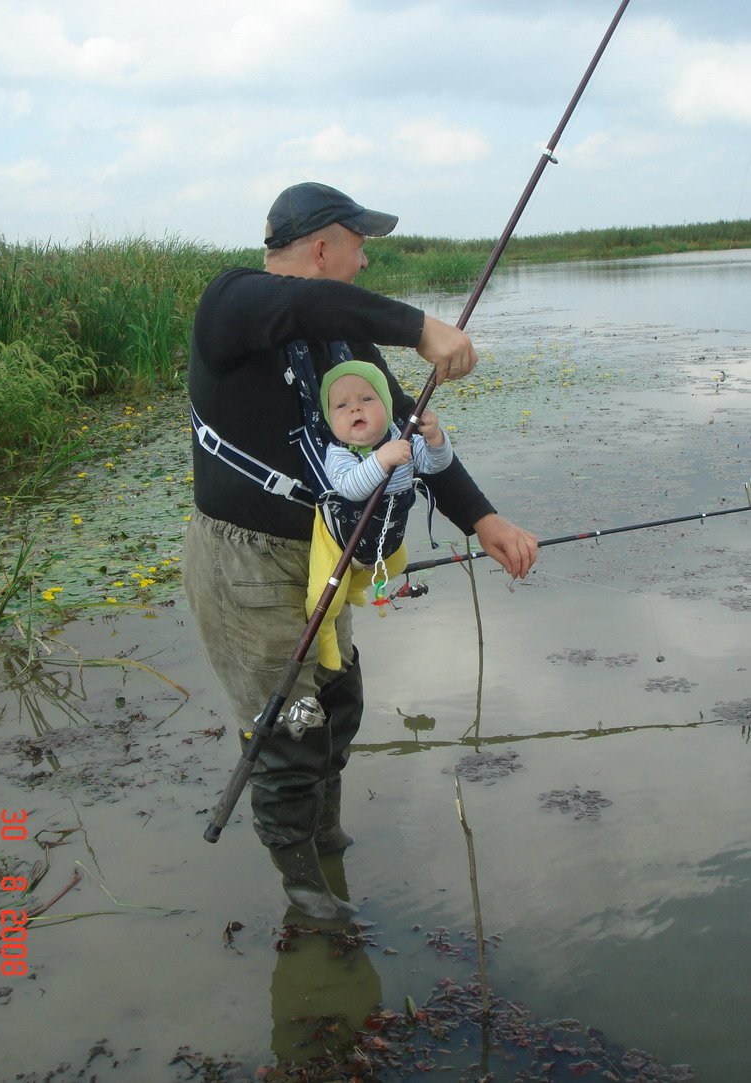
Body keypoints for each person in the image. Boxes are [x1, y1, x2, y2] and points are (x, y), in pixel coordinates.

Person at [182, 181, 538, 922]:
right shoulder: (233, 301)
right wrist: (421, 326)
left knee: (340, 704)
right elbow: (301, 304)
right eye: (358, 243)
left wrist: (485, 519)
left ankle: (326, 838)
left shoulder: (345, 342)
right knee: (290, 727)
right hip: (244, 563)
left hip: (323, 557)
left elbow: (403, 424)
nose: (366, 259)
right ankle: (307, 895)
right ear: (320, 246)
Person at [307, 359, 453, 671]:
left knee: (398, 563)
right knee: (326, 597)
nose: (355, 410)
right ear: (331, 419)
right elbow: (350, 487)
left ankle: (357, 588)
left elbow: (434, 464)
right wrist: (382, 461)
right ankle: (327, 639)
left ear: (386, 405)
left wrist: (434, 437)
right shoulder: (339, 453)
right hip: (339, 535)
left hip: (387, 535)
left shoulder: (402, 438)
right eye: (342, 405)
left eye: (366, 399)